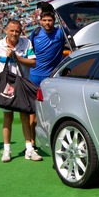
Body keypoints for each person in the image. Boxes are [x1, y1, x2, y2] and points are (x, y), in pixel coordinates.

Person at [0, 20, 41, 163]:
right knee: (7, 117)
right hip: (6, 87)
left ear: (21, 31)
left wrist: (17, 58)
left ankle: (29, 149)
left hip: (22, 86)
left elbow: (33, 63)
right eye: (12, 31)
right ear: (6, 30)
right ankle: (7, 150)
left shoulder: (26, 43)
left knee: (25, 117)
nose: (14, 34)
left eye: (17, 31)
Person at [28, 8, 67, 147]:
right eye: (44, 20)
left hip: (51, 79)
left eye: (49, 20)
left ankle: (55, 142)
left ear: (54, 21)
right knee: (32, 114)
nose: (47, 23)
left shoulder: (60, 33)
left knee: (52, 112)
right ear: (40, 21)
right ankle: (31, 143)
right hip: (34, 77)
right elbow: (29, 50)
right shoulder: (35, 33)